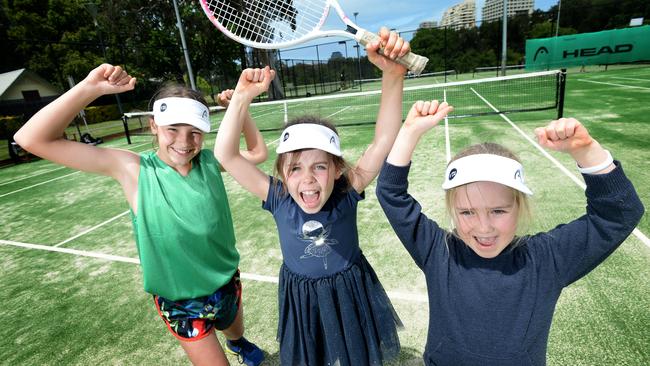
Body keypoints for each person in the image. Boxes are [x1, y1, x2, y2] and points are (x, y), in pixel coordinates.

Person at [13, 64, 266, 366]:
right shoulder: (133, 169)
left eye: (194, 133)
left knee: (234, 329)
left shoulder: (213, 161)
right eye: (173, 129)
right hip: (180, 301)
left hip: (226, 281)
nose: (184, 143)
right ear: (153, 126)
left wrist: (242, 106)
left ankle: (237, 342)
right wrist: (89, 88)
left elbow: (256, 153)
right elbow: (30, 139)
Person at [375, 101, 644, 365]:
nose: (483, 228)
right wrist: (409, 132)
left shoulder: (546, 259)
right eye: (467, 212)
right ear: (453, 210)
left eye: (498, 211)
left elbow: (619, 213)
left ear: (518, 206)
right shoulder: (439, 251)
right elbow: (390, 193)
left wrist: (587, 151)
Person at [215, 28, 410, 365]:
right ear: (281, 175)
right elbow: (227, 155)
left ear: (336, 169)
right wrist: (241, 96)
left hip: (348, 291)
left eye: (319, 167)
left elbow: (384, 140)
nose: (307, 179)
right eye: (295, 169)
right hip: (300, 295)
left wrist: (393, 75)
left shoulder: (348, 190)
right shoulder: (277, 198)